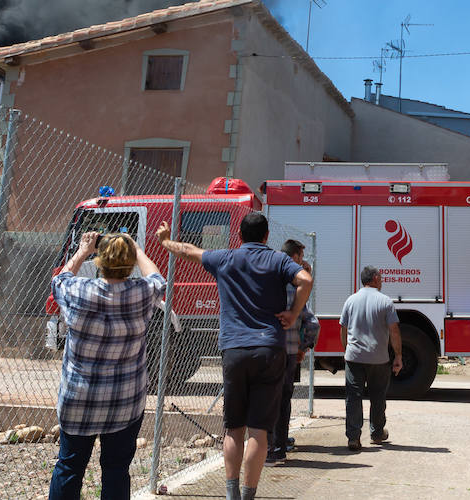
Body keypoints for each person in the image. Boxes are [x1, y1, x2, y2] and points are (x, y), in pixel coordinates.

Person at [156, 211, 312, 500]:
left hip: (234, 351)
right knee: (259, 432)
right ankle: (249, 495)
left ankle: (231, 494)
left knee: (233, 428)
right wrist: (293, 313)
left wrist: (166, 241)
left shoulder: (225, 258)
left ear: (240, 235)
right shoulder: (278, 260)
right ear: (267, 236)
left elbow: (189, 251)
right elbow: (305, 279)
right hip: (269, 350)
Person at [48, 230, 164, 500]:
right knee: (115, 469)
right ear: (130, 262)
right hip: (124, 402)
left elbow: (59, 280)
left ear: (100, 262)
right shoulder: (141, 293)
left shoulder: (79, 290)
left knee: (69, 465)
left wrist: (83, 250)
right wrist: (136, 249)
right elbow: (158, 279)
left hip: (79, 399)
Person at [339, 266, 402, 452]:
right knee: (378, 396)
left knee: (353, 397)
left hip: (354, 357)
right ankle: (376, 433)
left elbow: (342, 329)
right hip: (379, 359)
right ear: (375, 278)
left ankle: (353, 438)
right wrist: (398, 355)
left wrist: (347, 350)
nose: (382, 281)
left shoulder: (350, 300)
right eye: (381, 278)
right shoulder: (385, 302)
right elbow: (394, 330)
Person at [267, 239, 316, 463]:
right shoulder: (296, 288)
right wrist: (303, 346)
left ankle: (264, 449)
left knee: (264, 399)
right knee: (283, 398)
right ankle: (279, 448)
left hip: (264, 347)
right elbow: (313, 323)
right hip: (287, 351)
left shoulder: (268, 280)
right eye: (300, 257)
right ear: (294, 257)